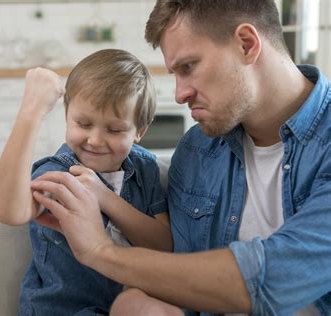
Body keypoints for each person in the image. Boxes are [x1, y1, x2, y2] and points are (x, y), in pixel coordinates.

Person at [29, 0, 331, 315]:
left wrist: (99, 250)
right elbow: (177, 279)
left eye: (188, 67)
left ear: (246, 44)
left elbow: (271, 280)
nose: (179, 94)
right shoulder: (198, 150)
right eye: (175, 73)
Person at [0, 49, 173, 315]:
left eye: (114, 129)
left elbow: (163, 245)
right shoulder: (60, 173)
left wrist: (104, 197)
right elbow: (9, 211)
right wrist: (31, 113)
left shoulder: (144, 168)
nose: (95, 140)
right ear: (67, 116)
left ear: (140, 131)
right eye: (83, 124)